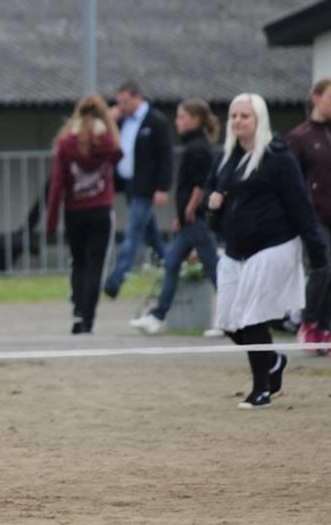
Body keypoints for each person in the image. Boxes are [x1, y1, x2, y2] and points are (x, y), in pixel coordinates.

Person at [205, 93, 329, 409]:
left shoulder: (278, 157)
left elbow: (300, 205)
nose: (238, 121)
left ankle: (262, 388)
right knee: (229, 322)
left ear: (259, 119)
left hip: (273, 244)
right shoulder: (226, 158)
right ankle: (273, 362)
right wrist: (213, 205)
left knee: (253, 318)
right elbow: (214, 196)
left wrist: (317, 252)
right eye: (234, 116)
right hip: (235, 249)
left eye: (245, 116)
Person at [130, 98, 220, 334]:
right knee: (171, 263)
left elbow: (200, 183)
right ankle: (157, 316)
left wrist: (190, 208)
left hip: (196, 220)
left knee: (213, 268)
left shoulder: (198, 148)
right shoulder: (193, 146)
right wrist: (181, 216)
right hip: (188, 222)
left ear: (196, 120)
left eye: (182, 117)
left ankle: (230, 317)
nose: (177, 122)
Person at [46, 94, 123, 334]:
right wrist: (106, 128)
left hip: (74, 211)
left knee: (78, 262)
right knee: (95, 265)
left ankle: (78, 310)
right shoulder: (105, 143)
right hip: (100, 209)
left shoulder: (66, 143)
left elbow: (57, 182)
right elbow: (118, 154)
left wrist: (51, 219)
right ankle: (88, 318)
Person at [103, 81, 174, 298]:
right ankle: (173, 267)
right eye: (119, 103)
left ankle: (115, 280)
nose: (121, 106)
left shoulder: (155, 121)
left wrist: (163, 187)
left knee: (133, 232)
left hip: (147, 187)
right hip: (129, 185)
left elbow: (165, 157)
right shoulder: (122, 121)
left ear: (137, 98)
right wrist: (109, 121)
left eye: (125, 102)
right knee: (152, 235)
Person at [287, 78, 331, 355]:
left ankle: (325, 327)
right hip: (314, 215)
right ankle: (307, 322)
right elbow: (290, 180)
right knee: (322, 268)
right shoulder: (300, 136)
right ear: (316, 98)